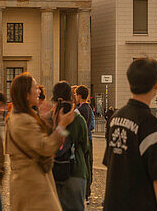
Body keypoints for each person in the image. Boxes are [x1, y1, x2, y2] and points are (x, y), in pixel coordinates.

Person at [103, 58, 157, 211]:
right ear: (156, 84)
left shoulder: (115, 118)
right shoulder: (150, 124)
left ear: (129, 84)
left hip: (113, 203)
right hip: (140, 204)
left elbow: (110, 162)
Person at [6, 72, 75, 211]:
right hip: (32, 183)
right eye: (35, 87)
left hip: (30, 181)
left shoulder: (21, 116)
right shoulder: (23, 120)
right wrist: (62, 126)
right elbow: (46, 147)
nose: (38, 90)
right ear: (26, 95)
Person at [50, 82, 89, 211]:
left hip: (52, 170)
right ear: (71, 97)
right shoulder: (78, 119)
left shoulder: (48, 118)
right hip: (75, 170)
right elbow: (85, 147)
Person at [73, 85, 95, 204]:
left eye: (76, 95)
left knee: (82, 165)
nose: (75, 97)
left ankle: (84, 193)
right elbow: (92, 126)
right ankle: (88, 192)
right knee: (89, 165)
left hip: (82, 142)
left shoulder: (78, 110)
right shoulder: (90, 109)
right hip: (89, 139)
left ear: (80, 96)